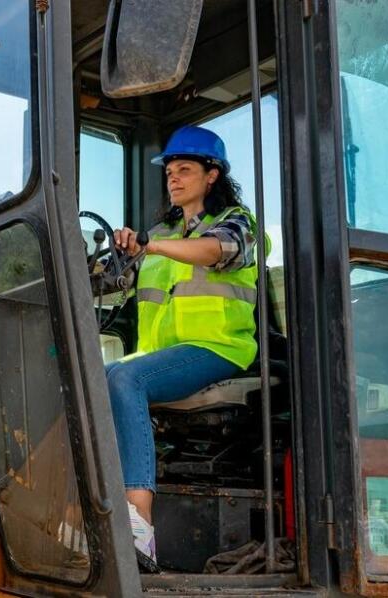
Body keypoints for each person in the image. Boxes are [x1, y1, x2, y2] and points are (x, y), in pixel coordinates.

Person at [106, 125, 259, 569]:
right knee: (91, 378)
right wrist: (116, 256)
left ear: (212, 175)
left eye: (185, 169)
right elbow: (119, 283)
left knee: (126, 377)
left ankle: (137, 523)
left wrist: (150, 244)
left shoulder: (237, 222)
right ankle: (89, 505)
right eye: (169, 171)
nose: (173, 178)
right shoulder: (161, 234)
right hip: (166, 356)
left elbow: (216, 251)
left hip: (218, 349)